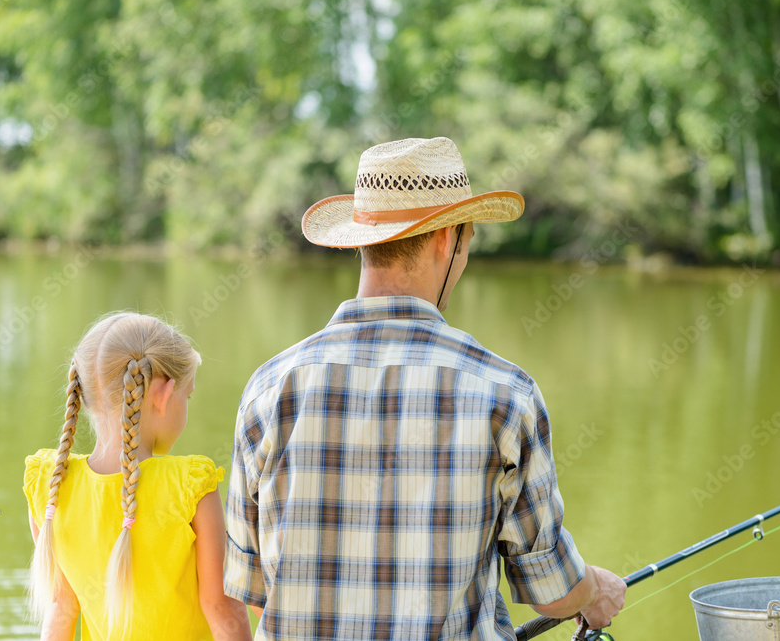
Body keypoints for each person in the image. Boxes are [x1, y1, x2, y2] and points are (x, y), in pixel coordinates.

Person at [224, 137, 626, 640]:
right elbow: (552, 590)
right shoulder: (504, 395)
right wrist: (593, 591)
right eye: (469, 239)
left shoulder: (268, 389)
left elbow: (255, 588)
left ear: (362, 242)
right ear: (447, 239)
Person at [23, 312, 251, 641]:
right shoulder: (189, 486)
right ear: (162, 393)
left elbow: (61, 607)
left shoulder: (51, 484)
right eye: (187, 396)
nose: (186, 405)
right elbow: (222, 608)